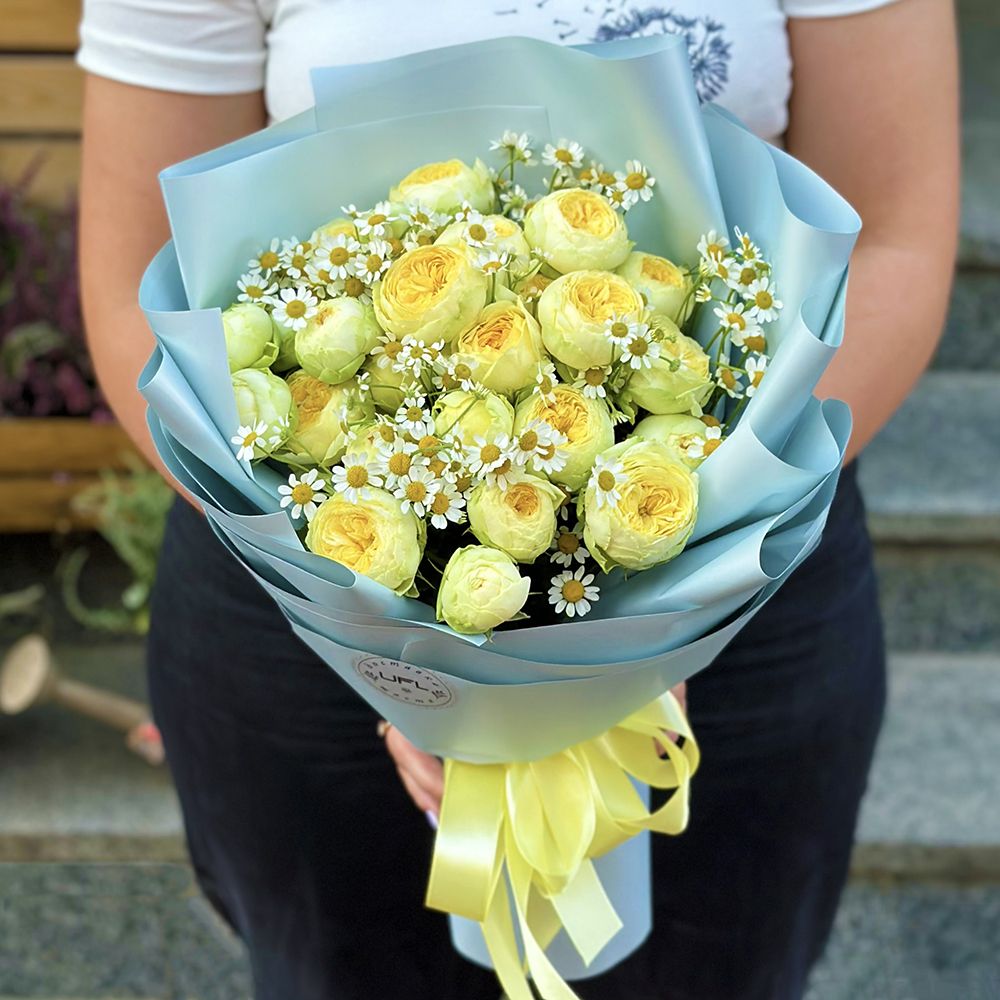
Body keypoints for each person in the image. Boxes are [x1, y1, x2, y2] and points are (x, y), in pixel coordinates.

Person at [76, 1, 959, 997]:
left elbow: (891, 238)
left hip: (742, 586)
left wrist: (664, 605)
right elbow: (137, 287)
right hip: (307, 603)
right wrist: (390, 638)